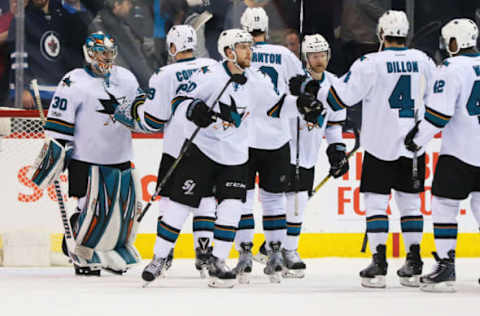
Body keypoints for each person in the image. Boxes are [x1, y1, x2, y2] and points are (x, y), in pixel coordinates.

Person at [136, 28, 323, 288]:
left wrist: (301, 105)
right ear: (229, 52)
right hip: (201, 150)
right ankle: (158, 257)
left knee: (231, 209)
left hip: (235, 155)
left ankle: (219, 262)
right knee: (179, 206)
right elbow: (180, 102)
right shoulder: (211, 77)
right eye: (244, 47)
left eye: (249, 46)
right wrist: (193, 109)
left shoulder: (255, 80)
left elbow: (276, 106)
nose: (250, 51)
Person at [317, 10, 437, 288]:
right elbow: (435, 103)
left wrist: (314, 89)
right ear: (405, 34)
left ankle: (379, 262)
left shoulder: (369, 62)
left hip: (378, 147)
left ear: (381, 34)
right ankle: (415, 261)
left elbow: (340, 98)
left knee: (376, 204)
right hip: (413, 148)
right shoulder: (424, 61)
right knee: (411, 205)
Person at [31, 31, 142, 276]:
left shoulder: (126, 78)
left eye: (110, 52)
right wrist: (55, 158)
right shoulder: (73, 81)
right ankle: (81, 252)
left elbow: (141, 112)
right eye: (102, 52)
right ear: (89, 52)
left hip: (122, 157)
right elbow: (59, 128)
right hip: (86, 161)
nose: (107, 57)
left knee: (122, 213)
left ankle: (112, 252)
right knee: (92, 210)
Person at [404, 18, 480, 293]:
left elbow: (438, 115)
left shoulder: (450, 68)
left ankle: (446, 266)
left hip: (459, 153)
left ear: (454, 42)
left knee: (444, 205)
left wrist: (416, 139)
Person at [137, 24, 218, 277]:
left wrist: (137, 108)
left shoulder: (164, 74)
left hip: (176, 147)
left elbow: (153, 120)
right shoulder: (214, 67)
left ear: (172, 47)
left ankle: (165, 253)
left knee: (170, 201)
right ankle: (204, 252)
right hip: (210, 147)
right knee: (206, 199)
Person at [233, 7, 304, 284]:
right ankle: (275, 255)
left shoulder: (235, 52)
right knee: (275, 200)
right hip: (277, 139)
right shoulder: (285, 55)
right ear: (266, 27)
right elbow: (301, 88)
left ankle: (245, 256)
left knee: (243, 200)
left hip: (244, 140)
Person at [281, 34, 348, 278]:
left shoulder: (335, 84)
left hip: (308, 153)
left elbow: (334, 125)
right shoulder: (294, 82)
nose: (319, 60)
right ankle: (279, 247)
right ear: (305, 57)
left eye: (322, 55)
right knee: (282, 202)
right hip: (284, 150)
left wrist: (337, 151)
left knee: (298, 202)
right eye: (313, 55)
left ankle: (286, 249)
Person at [7, 0, 70, 108]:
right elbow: (17, 56)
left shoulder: (62, 16)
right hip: (32, 94)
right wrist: (22, 88)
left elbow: (68, 56)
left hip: (58, 93)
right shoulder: (22, 18)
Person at [90, 0, 154, 88]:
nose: (131, 6)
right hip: (125, 85)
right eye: (128, 3)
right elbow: (133, 60)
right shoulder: (106, 28)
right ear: (117, 5)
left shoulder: (118, 23)